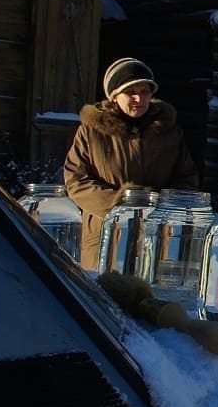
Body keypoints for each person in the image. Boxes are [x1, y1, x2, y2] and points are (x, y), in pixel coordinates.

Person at [64, 57, 199, 271]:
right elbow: (76, 180)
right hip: (104, 235)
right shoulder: (92, 131)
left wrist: (159, 206)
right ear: (115, 96)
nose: (139, 98)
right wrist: (120, 204)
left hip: (156, 237)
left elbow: (187, 179)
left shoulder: (168, 131)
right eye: (131, 92)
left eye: (145, 91)